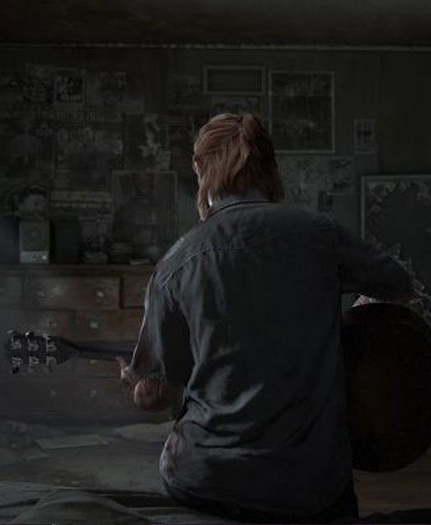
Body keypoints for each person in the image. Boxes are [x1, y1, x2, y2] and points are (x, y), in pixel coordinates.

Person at [117, 113, 411, 523]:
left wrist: (137, 384)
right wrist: (357, 320)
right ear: (271, 167)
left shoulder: (177, 261)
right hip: (311, 483)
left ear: (200, 169)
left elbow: (155, 397)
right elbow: (398, 285)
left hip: (207, 478)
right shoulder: (319, 233)